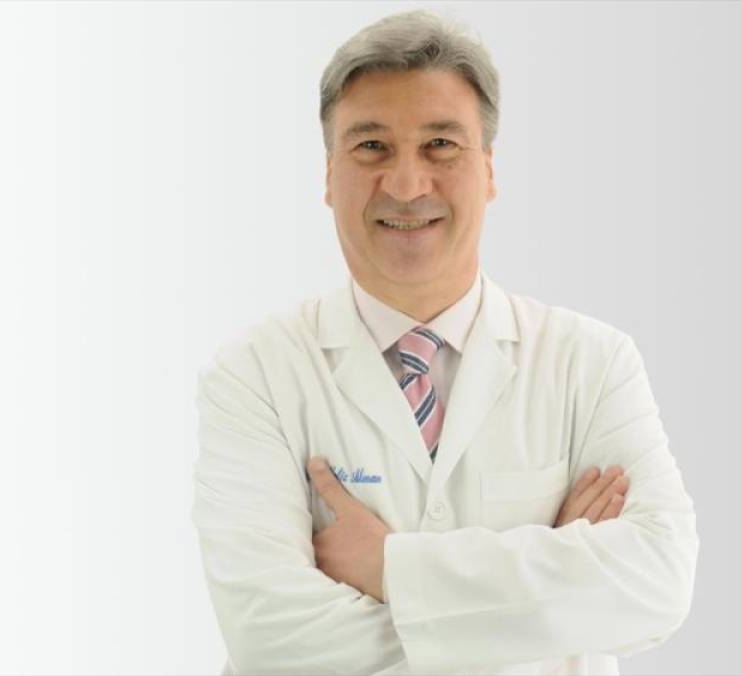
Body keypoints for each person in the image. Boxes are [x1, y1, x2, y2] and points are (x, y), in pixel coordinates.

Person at [191, 9, 700, 675]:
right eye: (372, 147)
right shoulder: (254, 376)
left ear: (488, 170)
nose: (407, 184)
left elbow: (658, 580)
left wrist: (388, 568)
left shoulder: (592, 364)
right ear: (328, 175)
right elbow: (270, 636)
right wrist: (546, 603)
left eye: (440, 144)